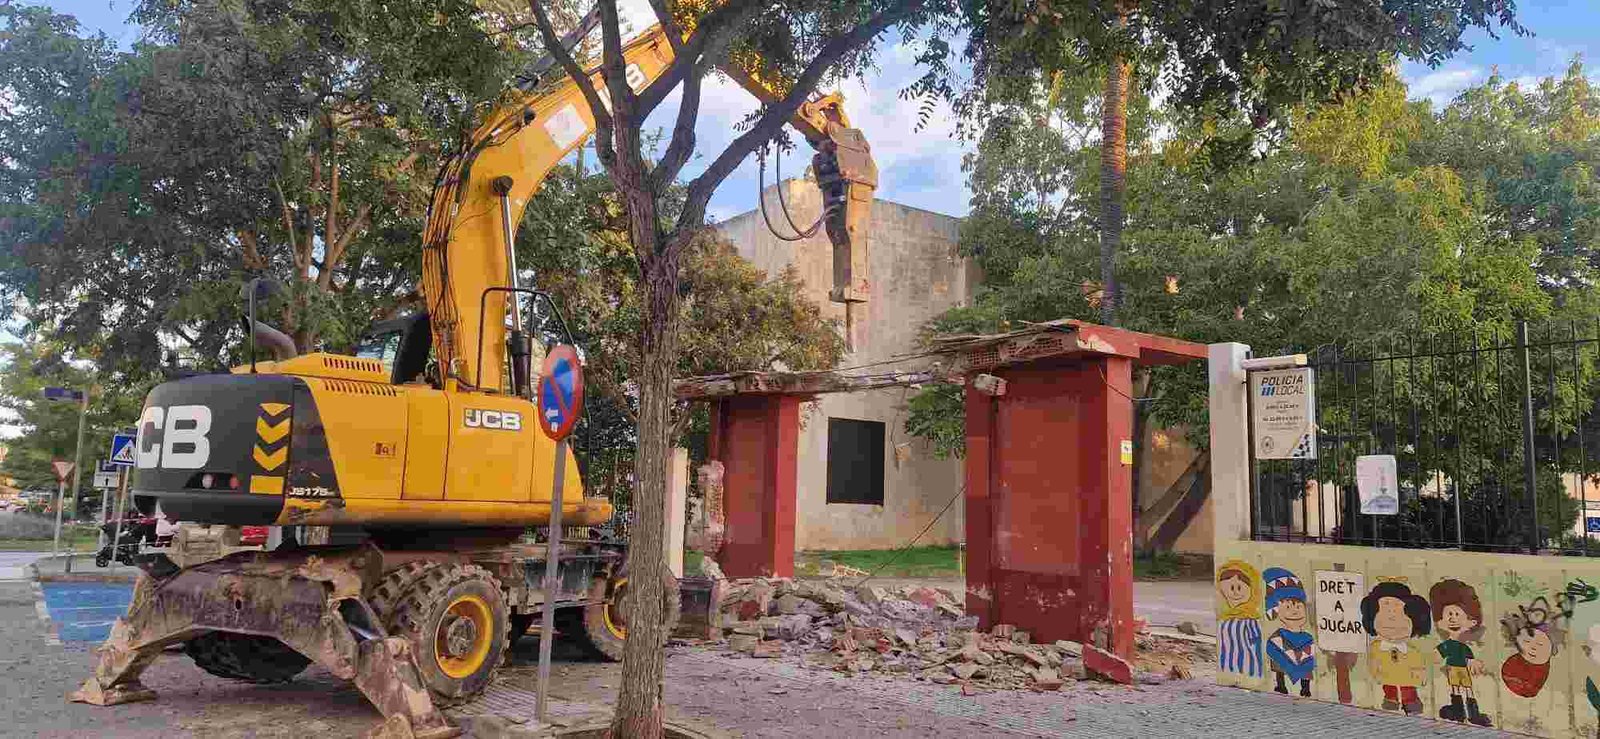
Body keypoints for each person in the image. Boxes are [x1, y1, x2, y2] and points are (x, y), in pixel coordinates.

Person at [1362, 579, 1431, 715]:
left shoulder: (1410, 650)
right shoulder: (1377, 647)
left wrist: (1419, 674)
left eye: (1399, 612)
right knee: (1389, 688)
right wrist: (1375, 672)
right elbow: (1373, 661)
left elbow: (1417, 663)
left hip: (1406, 676)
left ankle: (1410, 703)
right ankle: (1391, 701)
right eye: (1384, 611)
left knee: (1407, 689)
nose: (1391, 618)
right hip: (1387, 675)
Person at [1429, 579, 1492, 726]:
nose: (1452, 619)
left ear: (1472, 622)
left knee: (1467, 688)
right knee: (1455, 688)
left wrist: (1473, 662)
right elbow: (1439, 653)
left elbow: (1468, 656)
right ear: (1440, 620)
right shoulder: (1448, 644)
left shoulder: (1462, 646)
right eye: (1449, 614)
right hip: (1452, 669)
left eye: (1457, 614)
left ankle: (1472, 713)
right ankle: (1458, 711)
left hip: (1461, 669)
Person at [1263, 567, 1314, 696]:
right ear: (1276, 611)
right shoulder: (1278, 637)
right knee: (1279, 663)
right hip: (1282, 640)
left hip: (1301, 642)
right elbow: (1273, 651)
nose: (1295, 611)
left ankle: (1305, 688)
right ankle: (1281, 686)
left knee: (1306, 665)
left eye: (1298, 606)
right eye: (1288, 607)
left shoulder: (1307, 638)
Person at [1217, 560, 1263, 678]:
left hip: (1249, 668)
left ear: (1253, 589)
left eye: (1239, 587)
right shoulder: (1224, 617)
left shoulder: (1251, 619)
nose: (1234, 592)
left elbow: (1257, 643)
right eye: (1230, 587)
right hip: (1227, 666)